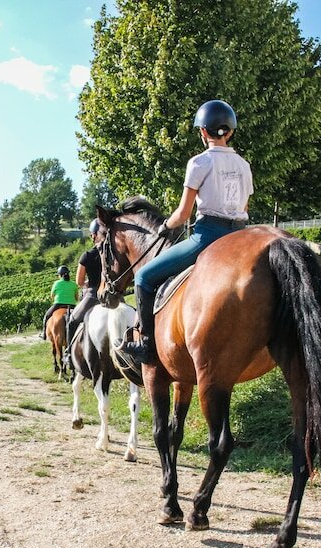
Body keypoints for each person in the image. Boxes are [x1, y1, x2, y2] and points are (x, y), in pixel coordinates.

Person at [120, 99, 254, 364]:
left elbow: (183, 214)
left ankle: (146, 345)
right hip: (240, 237)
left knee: (144, 277)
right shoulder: (244, 166)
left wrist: (164, 227)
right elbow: (244, 206)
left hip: (208, 237)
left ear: (203, 132)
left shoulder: (199, 163)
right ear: (230, 131)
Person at [64, 220, 105, 350]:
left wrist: (89, 283)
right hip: (112, 293)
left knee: (72, 322)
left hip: (93, 295)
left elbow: (79, 282)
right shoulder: (116, 253)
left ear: (93, 235)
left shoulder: (87, 256)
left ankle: (69, 354)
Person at [40, 266, 79, 339]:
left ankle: (44, 334)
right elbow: (76, 297)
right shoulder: (74, 284)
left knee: (47, 316)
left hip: (58, 304)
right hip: (72, 306)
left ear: (60, 275)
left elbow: (52, 295)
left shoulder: (56, 283)